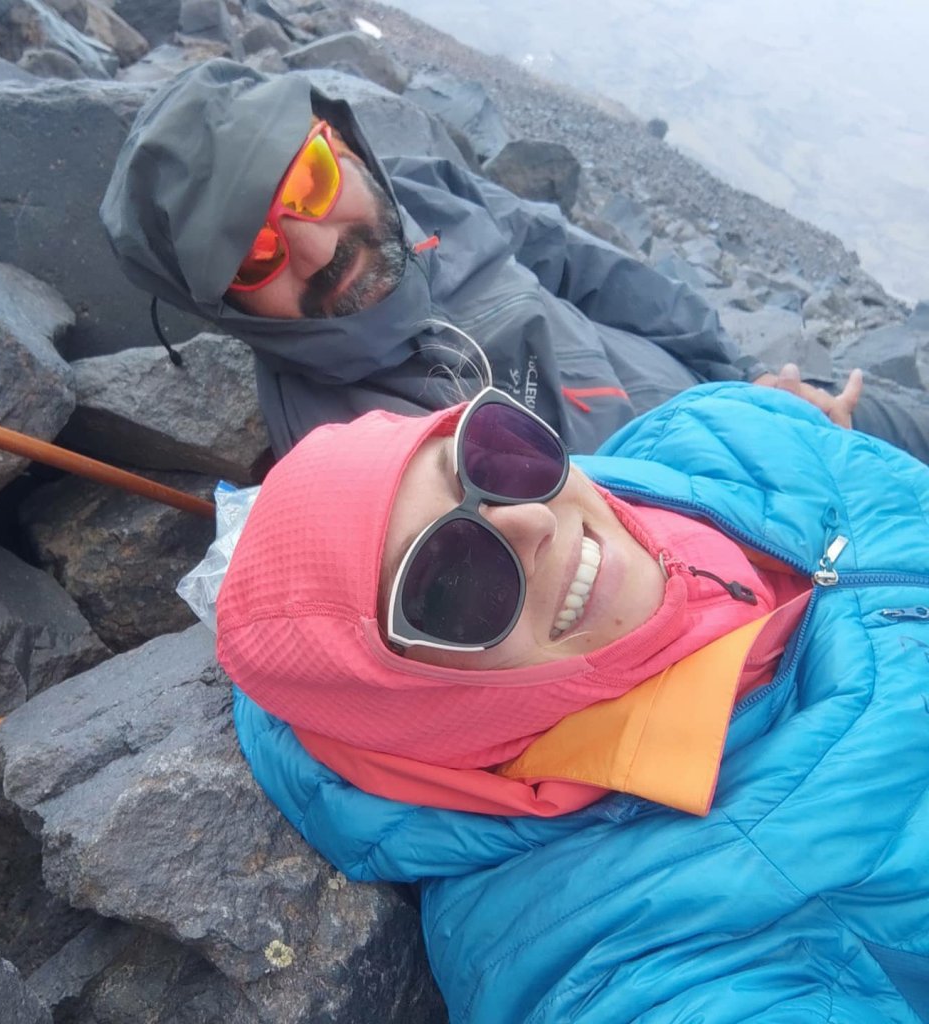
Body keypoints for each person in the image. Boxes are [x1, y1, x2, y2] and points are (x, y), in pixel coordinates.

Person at [215, 380, 929, 1022]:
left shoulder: (712, 426)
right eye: (447, 581)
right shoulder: (607, 943)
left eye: (489, 458)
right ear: (412, 712)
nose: (530, 521)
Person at [99, 59, 929, 463]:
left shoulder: (430, 194)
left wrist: (745, 378)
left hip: (753, 404)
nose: (318, 249)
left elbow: (593, 270)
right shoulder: (345, 442)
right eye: (258, 259)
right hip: (755, 501)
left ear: (343, 138)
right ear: (230, 311)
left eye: (309, 184)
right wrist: (768, 446)